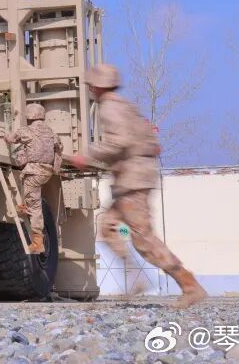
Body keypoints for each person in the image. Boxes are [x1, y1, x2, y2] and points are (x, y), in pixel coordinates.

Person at [66, 63, 206, 307]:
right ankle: (135, 277)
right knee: (108, 227)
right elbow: (153, 143)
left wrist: (87, 156)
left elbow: (118, 142)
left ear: (97, 85)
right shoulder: (126, 106)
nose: (90, 88)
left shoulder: (109, 108)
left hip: (132, 182)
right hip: (133, 179)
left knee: (143, 239)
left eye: (91, 84)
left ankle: (189, 284)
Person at [5, 102, 59, 253]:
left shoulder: (26, 131)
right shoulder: (51, 132)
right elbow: (59, 146)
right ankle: (24, 205)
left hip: (34, 171)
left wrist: (6, 136)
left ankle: (37, 242)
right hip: (47, 171)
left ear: (29, 117)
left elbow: (12, 139)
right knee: (30, 192)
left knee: (35, 207)